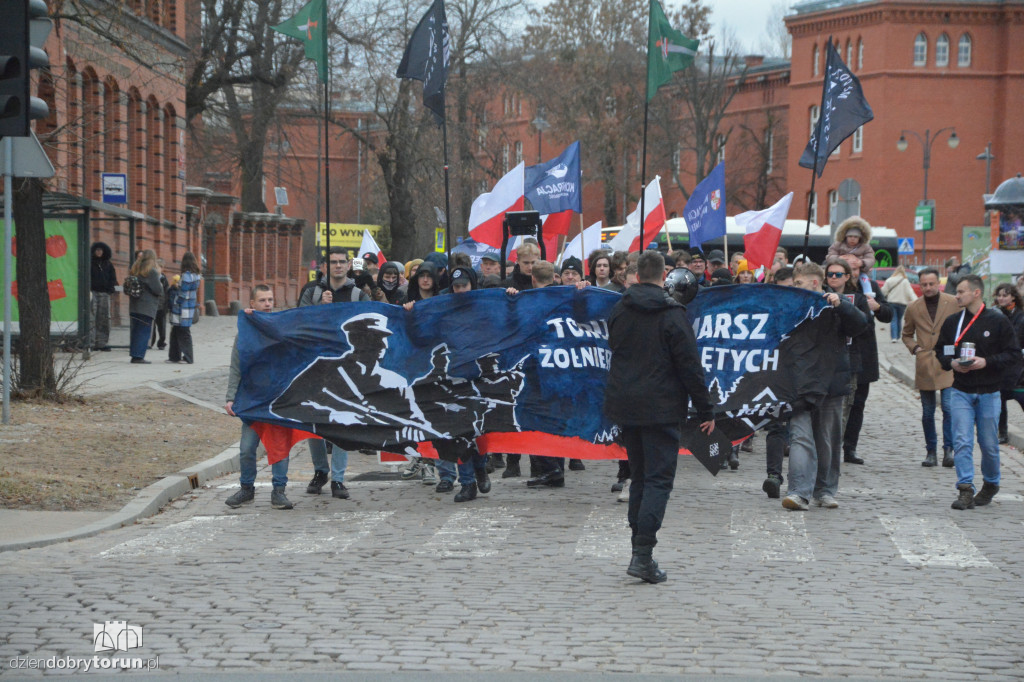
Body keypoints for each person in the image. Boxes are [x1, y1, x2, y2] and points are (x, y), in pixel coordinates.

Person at [604, 251, 715, 583]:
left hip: (627, 404)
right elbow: (690, 366)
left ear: (637, 275)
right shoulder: (673, 314)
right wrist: (705, 409)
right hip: (661, 406)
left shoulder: (620, 308)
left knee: (639, 477)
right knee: (657, 480)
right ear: (664, 276)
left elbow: (614, 346)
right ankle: (643, 554)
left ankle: (638, 549)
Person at [783, 262, 870, 511]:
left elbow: (860, 324)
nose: (795, 287)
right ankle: (798, 492)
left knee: (827, 440)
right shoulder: (793, 305)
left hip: (831, 383)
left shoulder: (836, 304)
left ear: (814, 282)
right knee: (800, 438)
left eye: (799, 283)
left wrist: (841, 306)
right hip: (799, 383)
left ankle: (825, 490)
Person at [936, 274, 1022, 510]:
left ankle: (991, 483)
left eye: (961, 291)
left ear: (976, 293)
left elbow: (1013, 354)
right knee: (962, 441)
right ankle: (965, 489)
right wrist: (951, 363)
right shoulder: (953, 322)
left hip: (989, 392)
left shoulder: (997, 321)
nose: (956, 295)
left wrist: (987, 362)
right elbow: (941, 350)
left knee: (989, 444)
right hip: (960, 390)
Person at [297, 248, 362, 500]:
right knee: (315, 421)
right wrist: (319, 307)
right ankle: (320, 471)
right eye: (333, 262)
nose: (337, 266)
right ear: (325, 266)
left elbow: (371, 321)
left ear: (348, 265)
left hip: (346, 367)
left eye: (341, 262)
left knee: (341, 422)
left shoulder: (357, 294)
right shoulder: (312, 292)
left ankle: (338, 478)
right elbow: (299, 322)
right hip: (316, 365)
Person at [224, 284, 294, 510]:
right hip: (252, 399)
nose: (267, 304)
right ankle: (246, 489)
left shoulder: (282, 329)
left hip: (277, 400)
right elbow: (236, 366)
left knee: (279, 447)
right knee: (246, 448)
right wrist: (230, 397)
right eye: (262, 300)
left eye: (270, 300)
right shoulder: (244, 333)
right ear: (252, 304)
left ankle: (279, 491)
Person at [837, 253, 893, 465]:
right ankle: (831, 445)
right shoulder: (834, 287)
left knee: (858, 403)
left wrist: (877, 307)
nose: (852, 273)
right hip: (838, 353)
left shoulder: (869, 287)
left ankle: (850, 447)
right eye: (847, 269)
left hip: (863, 352)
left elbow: (887, 314)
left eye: (855, 269)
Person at [902, 267, 958, 467]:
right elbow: (906, 334)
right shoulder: (913, 307)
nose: (927, 287)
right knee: (927, 411)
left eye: (931, 284)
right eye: (924, 284)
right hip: (925, 363)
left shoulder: (953, 302)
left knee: (949, 408)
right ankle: (931, 451)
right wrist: (915, 348)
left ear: (938, 283)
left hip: (948, 362)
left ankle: (949, 450)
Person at [762, 266, 795, 498]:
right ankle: (773, 476)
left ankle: (804, 480)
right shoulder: (769, 310)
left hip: (803, 376)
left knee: (801, 430)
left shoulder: (810, 308)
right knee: (776, 426)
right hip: (776, 375)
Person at [994, 283, 1024, 444]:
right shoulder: (996, 315)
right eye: (999, 295)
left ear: (1013, 297)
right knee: (1000, 401)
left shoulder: (1021, 316)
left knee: (1021, 397)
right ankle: (1002, 432)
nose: (1001, 298)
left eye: (1005, 295)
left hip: (1019, 367)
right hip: (1002, 365)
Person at [127, 249, 163, 364]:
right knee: (144, 331)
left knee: (136, 331)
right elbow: (158, 289)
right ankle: (138, 356)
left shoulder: (135, 269)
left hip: (134, 305)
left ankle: (134, 354)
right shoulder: (151, 272)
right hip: (146, 307)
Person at [167, 252, 201, 364]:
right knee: (178, 331)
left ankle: (187, 357)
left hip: (182, 308)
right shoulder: (197, 276)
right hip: (190, 306)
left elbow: (182, 293)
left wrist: (176, 302)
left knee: (182, 331)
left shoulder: (186, 276)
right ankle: (175, 356)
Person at [89, 241, 118, 352]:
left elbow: (113, 278)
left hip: (104, 293)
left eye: (101, 250)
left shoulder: (108, 264)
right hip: (92, 292)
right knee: (91, 318)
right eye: (97, 250)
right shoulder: (90, 263)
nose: (99, 252)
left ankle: (101, 343)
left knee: (104, 318)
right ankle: (91, 342)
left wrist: (109, 289)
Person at [882, 265, 918, 343]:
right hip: (902, 304)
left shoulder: (890, 280)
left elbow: (883, 291)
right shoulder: (905, 281)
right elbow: (910, 292)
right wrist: (916, 301)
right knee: (899, 320)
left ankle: (894, 337)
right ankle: (898, 336)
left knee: (893, 319)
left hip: (891, 302)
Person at [149, 260, 169, 351]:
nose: (156, 269)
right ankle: (151, 342)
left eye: (157, 268)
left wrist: (166, 305)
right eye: (154, 268)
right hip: (153, 306)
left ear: (162, 268)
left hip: (161, 307)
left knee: (162, 327)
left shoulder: (164, 279)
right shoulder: (151, 278)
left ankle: (161, 342)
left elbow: (167, 292)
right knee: (152, 327)